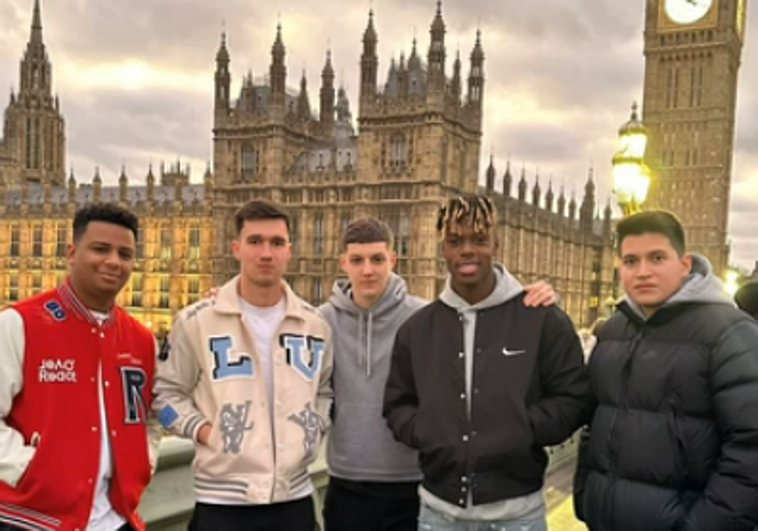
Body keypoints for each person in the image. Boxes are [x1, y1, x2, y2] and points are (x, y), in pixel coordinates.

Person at [383, 195, 590, 531]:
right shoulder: (417, 330)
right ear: (442, 249)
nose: (467, 250)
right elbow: (397, 405)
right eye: (455, 241)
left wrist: (524, 426)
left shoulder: (541, 319)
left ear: (496, 243)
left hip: (517, 516)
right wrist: (428, 430)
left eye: (478, 240)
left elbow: (575, 398)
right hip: (439, 515)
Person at [153, 199, 333, 531]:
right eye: (255, 241)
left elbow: (325, 391)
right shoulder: (195, 321)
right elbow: (163, 398)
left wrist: (313, 428)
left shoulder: (315, 325)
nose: (266, 253)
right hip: (221, 506)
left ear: (289, 250)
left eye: (276, 243)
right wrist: (206, 431)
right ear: (236, 248)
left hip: (295, 500)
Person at [574, 210, 758, 530]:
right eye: (631, 261)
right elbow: (595, 421)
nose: (643, 272)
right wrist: (585, 496)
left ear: (684, 264)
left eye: (657, 258)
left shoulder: (731, 333)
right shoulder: (613, 330)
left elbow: (750, 449)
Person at [0, 204, 161, 531]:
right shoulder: (19, 323)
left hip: (117, 520)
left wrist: (143, 462)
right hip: (33, 521)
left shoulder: (143, 340)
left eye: (125, 254)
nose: (114, 262)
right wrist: (31, 469)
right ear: (71, 252)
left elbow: (154, 416)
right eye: (101, 249)